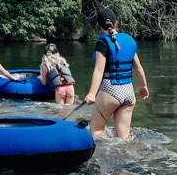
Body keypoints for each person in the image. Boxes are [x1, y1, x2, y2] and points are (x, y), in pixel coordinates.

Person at [84, 8, 149, 139]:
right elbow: (139, 68)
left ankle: (102, 159)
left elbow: (99, 70)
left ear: (98, 25)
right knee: (124, 137)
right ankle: (128, 157)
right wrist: (143, 86)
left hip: (111, 90)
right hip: (129, 92)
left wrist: (92, 93)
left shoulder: (102, 42)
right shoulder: (129, 40)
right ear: (116, 22)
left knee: (96, 132)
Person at [39, 41, 75, 106]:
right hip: (70, 86)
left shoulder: (45, 65)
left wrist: (40, 77)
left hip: (60, 89)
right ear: (57, 52)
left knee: (60, 112)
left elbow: (44, 83)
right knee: (69, 110)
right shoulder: (63, 62)